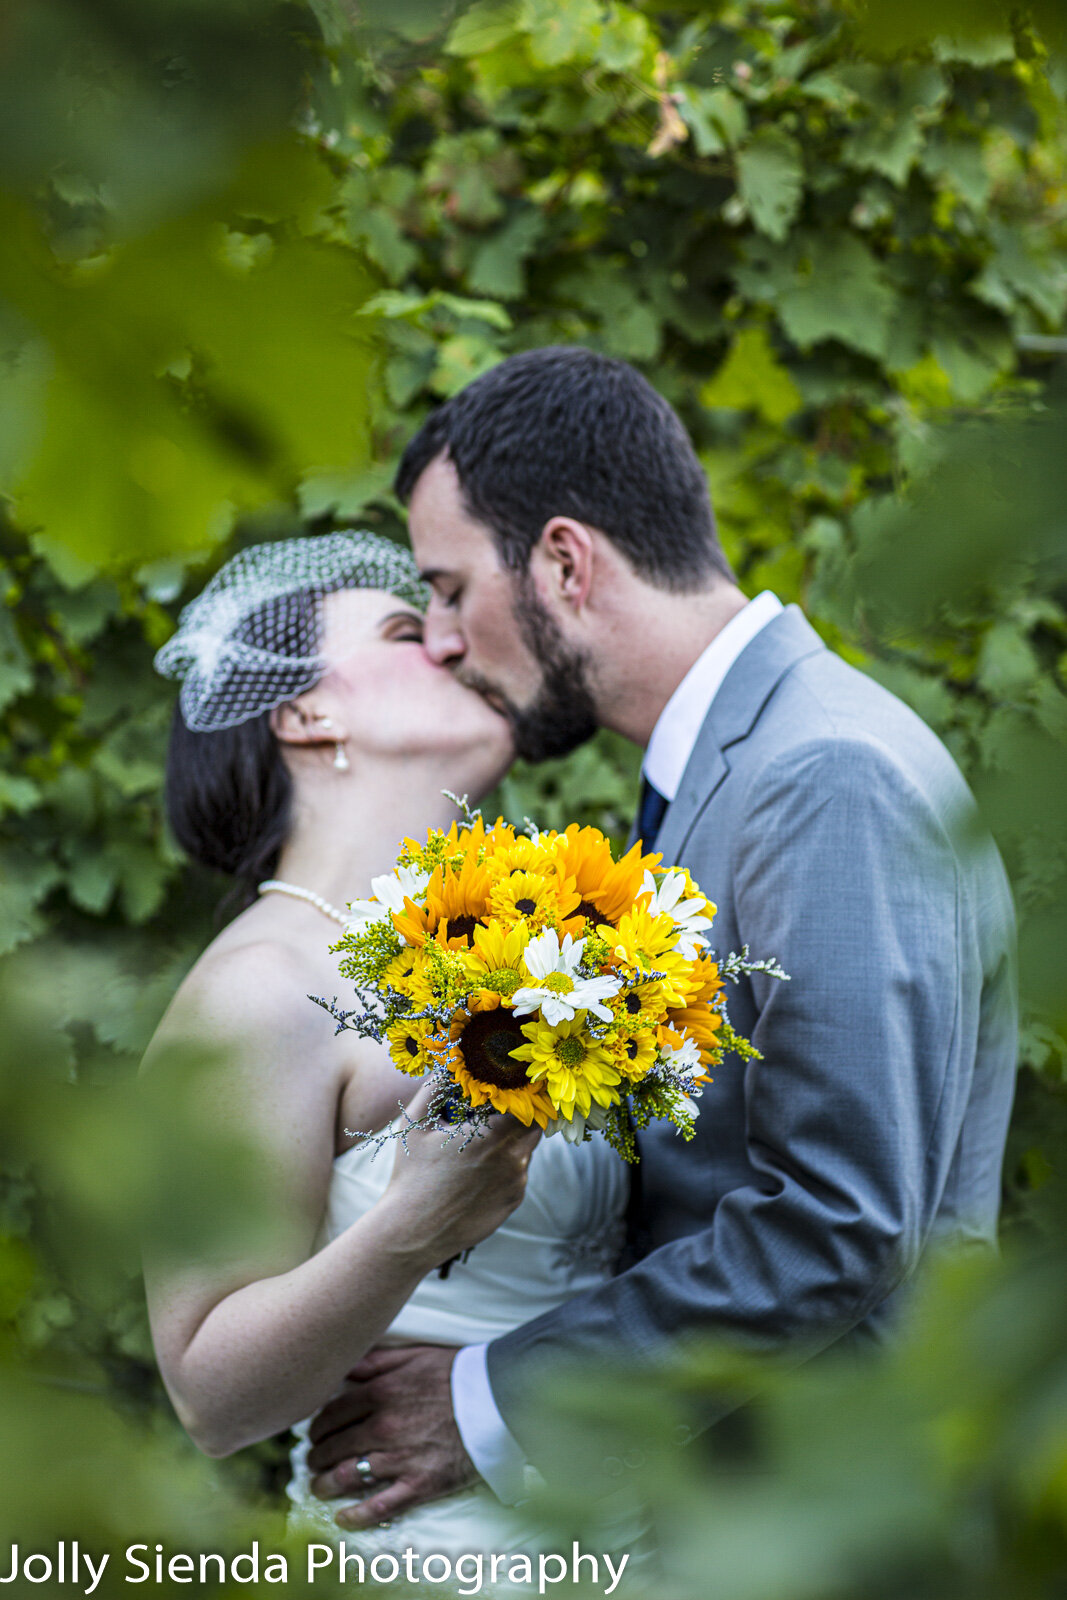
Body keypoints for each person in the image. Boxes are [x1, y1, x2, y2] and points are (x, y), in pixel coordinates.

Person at [305, 346, 1018, 1529]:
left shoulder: (821, 771)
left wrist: (490, 1400)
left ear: (565, 561)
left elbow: (833, 1224)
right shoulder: (729, 768)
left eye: (446, 587)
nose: (437, 638)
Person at [142, 530, 633, 1561]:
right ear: (307, 713)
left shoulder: (523, 940)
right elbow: (207, 1396)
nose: (454, 646)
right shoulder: (258, 989)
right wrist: (409, 1225)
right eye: (410, 629)